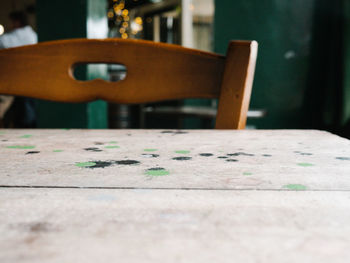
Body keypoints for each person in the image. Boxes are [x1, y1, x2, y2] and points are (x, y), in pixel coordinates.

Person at [0, 11, 37, 127]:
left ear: (17, 21)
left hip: (12, 80)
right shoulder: (34, 36)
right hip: (33, 80)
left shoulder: (7, 39)